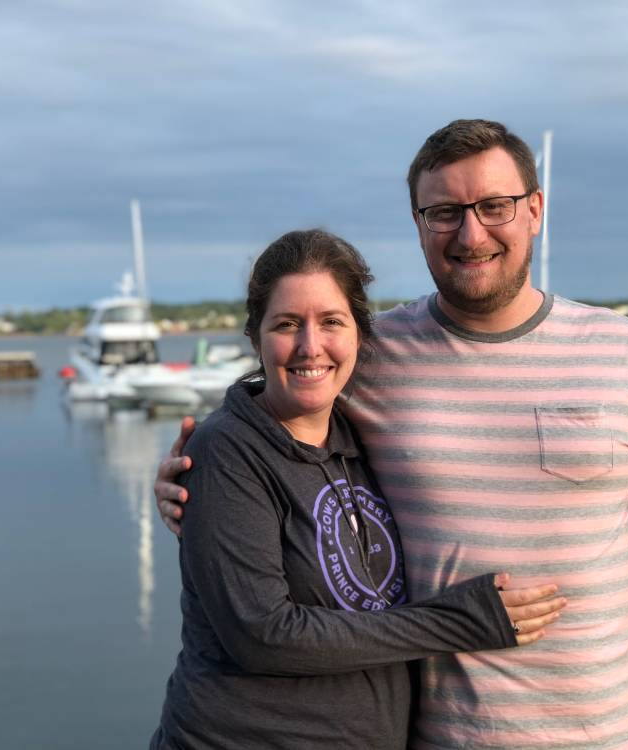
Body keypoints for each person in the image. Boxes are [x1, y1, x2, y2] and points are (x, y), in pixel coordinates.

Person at [156, 120, 628, 750]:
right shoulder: (375, 355)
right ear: (419, 223)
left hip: (611, 733)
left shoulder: (620, 350)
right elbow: (279, 409)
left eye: (494, 206)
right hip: (439, 737)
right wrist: (192, 482)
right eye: (445, 212)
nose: (471, 232)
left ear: (535, 210)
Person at [150, 228, 568, 750]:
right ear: (256, 336)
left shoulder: (361, 439)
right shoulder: (228, 451)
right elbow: (264, 636)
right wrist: (459, 623)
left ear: (359, 335)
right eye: (286, 324)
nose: (310, 346)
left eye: (331, 322)